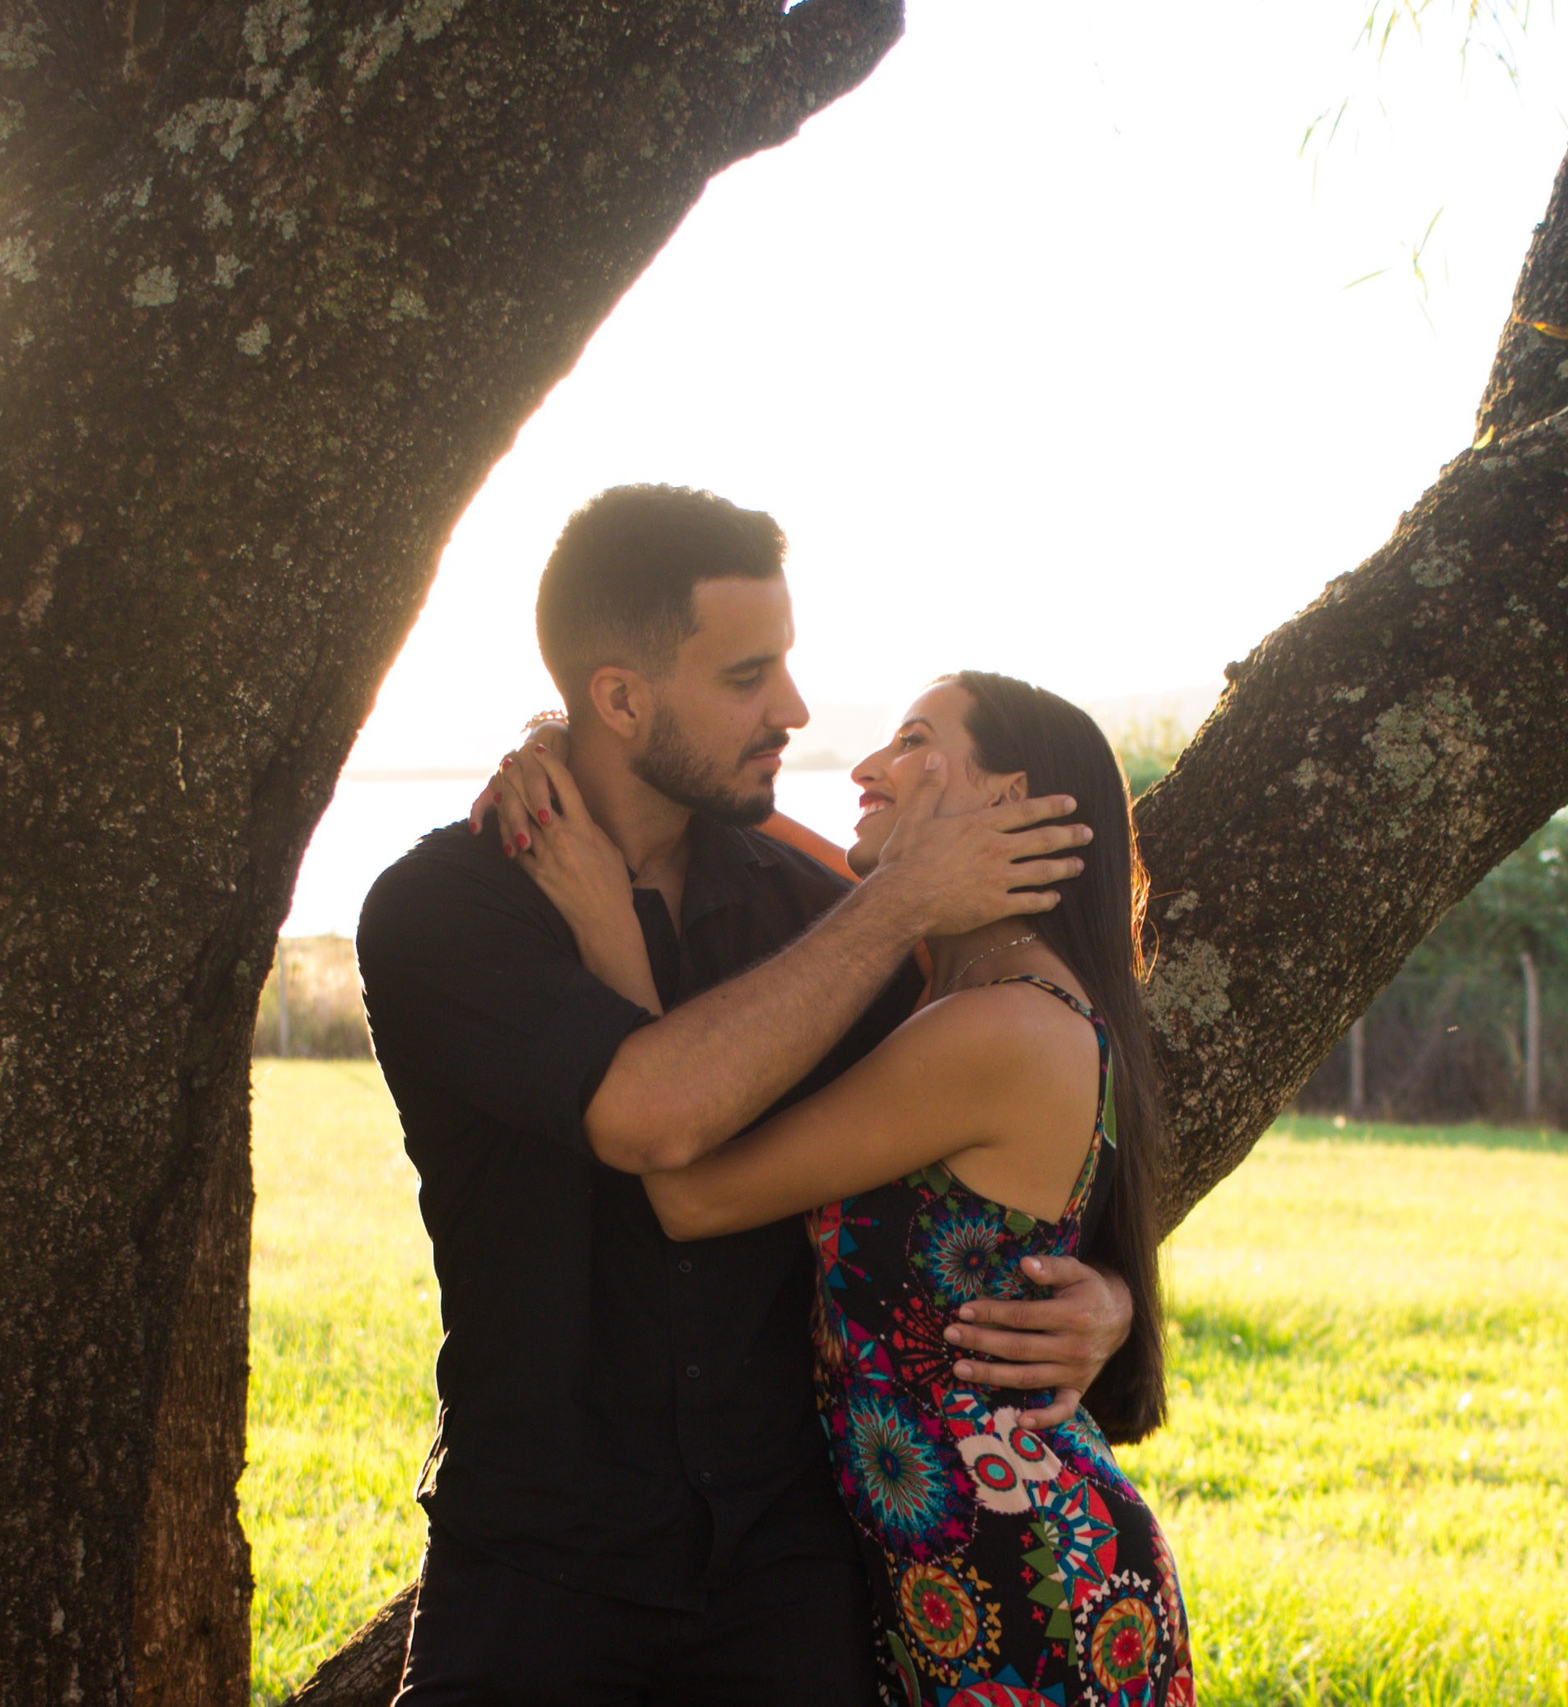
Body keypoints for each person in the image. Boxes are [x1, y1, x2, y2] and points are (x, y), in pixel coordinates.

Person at [356, 486, 1137, 1705]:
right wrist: (899, 903)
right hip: (536, 1567)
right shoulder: (446, 909)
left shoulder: (821, 913)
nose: (795, 710)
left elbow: (1031, 1134)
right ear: (620, 699)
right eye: (746, 676)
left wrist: (1106, 1297)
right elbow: (653, 1117)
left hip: (796, 1575)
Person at [490, 670, 1193, 1706]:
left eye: (912, 740)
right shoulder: (962, 977)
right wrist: (570, 747)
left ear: (1008, 800)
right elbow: (772, 844)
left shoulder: (996, 1023)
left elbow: (690, 1195)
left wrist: (606, 921)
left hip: (1023, 1578)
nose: (867, 764)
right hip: (946, 1563)